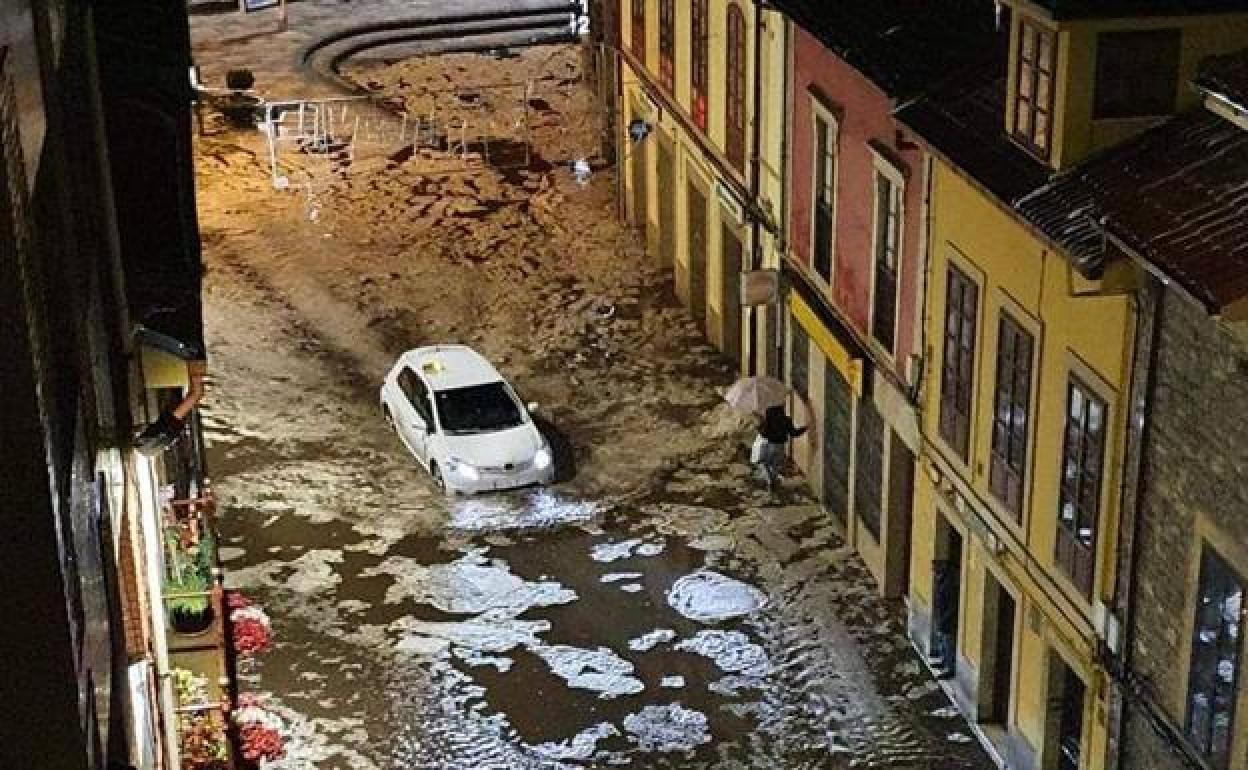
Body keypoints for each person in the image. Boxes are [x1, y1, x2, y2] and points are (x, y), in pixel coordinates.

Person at [753, 404, 808, 491]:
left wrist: (759, 426)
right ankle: (772, 480)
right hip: (780, 446)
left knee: (765, 463)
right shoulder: (787, 420)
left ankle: (769, 480)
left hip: (769, 444)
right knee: (776, 465)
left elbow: (763, 433)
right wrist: (805, 428)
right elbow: (794, 434)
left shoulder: (769, 419)